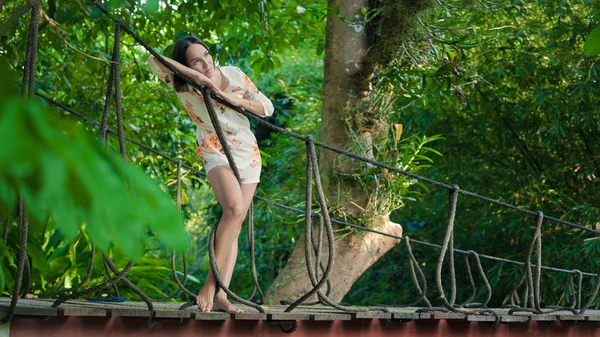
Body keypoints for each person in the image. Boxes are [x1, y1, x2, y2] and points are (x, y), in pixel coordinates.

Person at [147, 36, 274, 313]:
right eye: (195, 60)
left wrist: (231, 98)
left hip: (247, 153)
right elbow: (153, 59)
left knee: (236, 222)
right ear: (185, 65)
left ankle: (221, 297)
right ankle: (209, 283)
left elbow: (267, 106)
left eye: (206, 55)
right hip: (214, 147)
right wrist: (199, 79)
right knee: (234, 208)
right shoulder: (182, 83)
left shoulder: (233, 74)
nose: (205, 63)